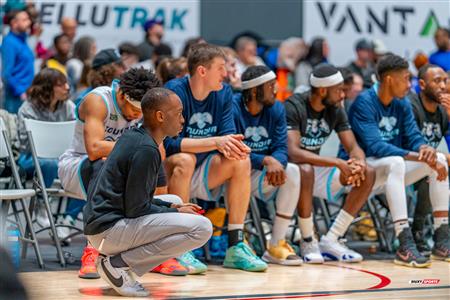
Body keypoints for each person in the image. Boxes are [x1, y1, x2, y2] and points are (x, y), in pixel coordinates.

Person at [85, 87, 212, 297]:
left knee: (174, 199)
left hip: (103, 224)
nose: (183, 120)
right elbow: (136, 208)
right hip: (108, 231)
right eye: (178, 113)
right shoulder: (146, 150)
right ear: (160, 116)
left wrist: (172, 207)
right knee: (202, 228)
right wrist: (177, 213)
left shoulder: (136, 136)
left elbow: (136, 200)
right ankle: (116, 264)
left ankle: (120, 264)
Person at [164, 43, 268, 272]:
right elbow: (168, 144)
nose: (226, 73)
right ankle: (180, 248)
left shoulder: (223, 92)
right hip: (167, 173)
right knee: (185, 159)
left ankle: (236, 245)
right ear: (202, 71)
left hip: (203, 169)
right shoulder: (174, 92)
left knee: (241, 159)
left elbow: (227, 135)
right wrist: (215, 142)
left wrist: (236, 147)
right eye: (221, 68)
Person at [58, 67, 161, 279]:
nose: (137, 115)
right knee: (105, 163)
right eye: (134, 108)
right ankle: (92, 250)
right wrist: (136, 145)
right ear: (122, 95)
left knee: (155, 161)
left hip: (112, 169)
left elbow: (155, 148)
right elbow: (94, 149)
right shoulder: (98, 100)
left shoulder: (143, 107)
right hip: (77, 166)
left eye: (142, 110)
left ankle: (156, 247)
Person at [348, 54, 450, 267]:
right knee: (397, 161)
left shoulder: (401, 103)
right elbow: (376, 146)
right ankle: (404, 242)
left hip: (392, 174)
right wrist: (419, 156)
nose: (409, 83)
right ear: (389, 80)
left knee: (439, 158)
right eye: (405, 78)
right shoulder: (364, 102)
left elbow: (413, 136)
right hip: (363, 174)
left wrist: (424, 148)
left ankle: (442, 240)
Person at [285, 63, 375, 263]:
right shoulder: (294, 105)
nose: (343, 95)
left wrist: (358, 161)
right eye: (339, 91)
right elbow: (294, 152)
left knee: (368, 171)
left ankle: (332, 239)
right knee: (305, 169)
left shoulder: (335, 109)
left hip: (317, 172)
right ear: (323, 90)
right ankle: (308, 240)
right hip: (292, 174)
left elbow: (352, 145)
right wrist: (336, 162)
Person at [233, 66, 303, 265]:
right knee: (238, 164)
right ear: (255, 91)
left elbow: (281, 147)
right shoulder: (233, 107)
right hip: (232, 173)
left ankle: (276, 244)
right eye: (271, 85)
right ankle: (238, 241)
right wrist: (265, 160)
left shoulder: (277, 108)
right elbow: (234, 147)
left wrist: (277, 163)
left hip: (260, 174)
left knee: (293, 171)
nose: (277, 88)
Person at [17, 69, 80, 229]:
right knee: (49, 163)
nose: (67, 87)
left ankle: (68, 220)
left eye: (67, 83)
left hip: (61, 158)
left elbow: (76, 135)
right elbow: (25, 144)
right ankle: (42, 202)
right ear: (47, 87)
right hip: (30, 159)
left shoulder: (68, 106)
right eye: (61, 84)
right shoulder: (28, 108)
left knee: (89, 167)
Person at [409, 64, 450, 256]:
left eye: (445, 80)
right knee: (435, 164)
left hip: (429, 166)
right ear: (423, 84)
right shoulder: (411, 105)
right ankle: (418, 232)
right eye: (437, 81)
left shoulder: (443, 111)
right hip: (405, 164)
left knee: (437, 163)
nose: (443, 86)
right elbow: (408, 144)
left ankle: (441, 235)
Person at [2, 9, 34, 113]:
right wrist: (20, 92)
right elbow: (6, 74)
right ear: (14, 23)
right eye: (24, 20)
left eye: (28, 19)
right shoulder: (9, 42)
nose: (29, 22)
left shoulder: (23, 40)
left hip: (27, 95)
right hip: (15, 98)